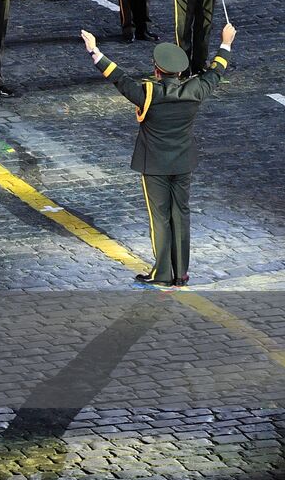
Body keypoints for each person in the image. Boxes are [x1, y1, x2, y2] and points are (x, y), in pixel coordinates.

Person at [81, 23, 236, 287]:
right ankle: (181, 274)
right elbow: (216, 71)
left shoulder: (149, 94)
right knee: (181, 214)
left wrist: (94, 51)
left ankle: (163, 273)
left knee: (160, 218)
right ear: (179, 72)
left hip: (154, 166)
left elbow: (119, 78)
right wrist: (226, 43)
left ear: (156, 70)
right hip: (183, 162)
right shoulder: (195, 90)